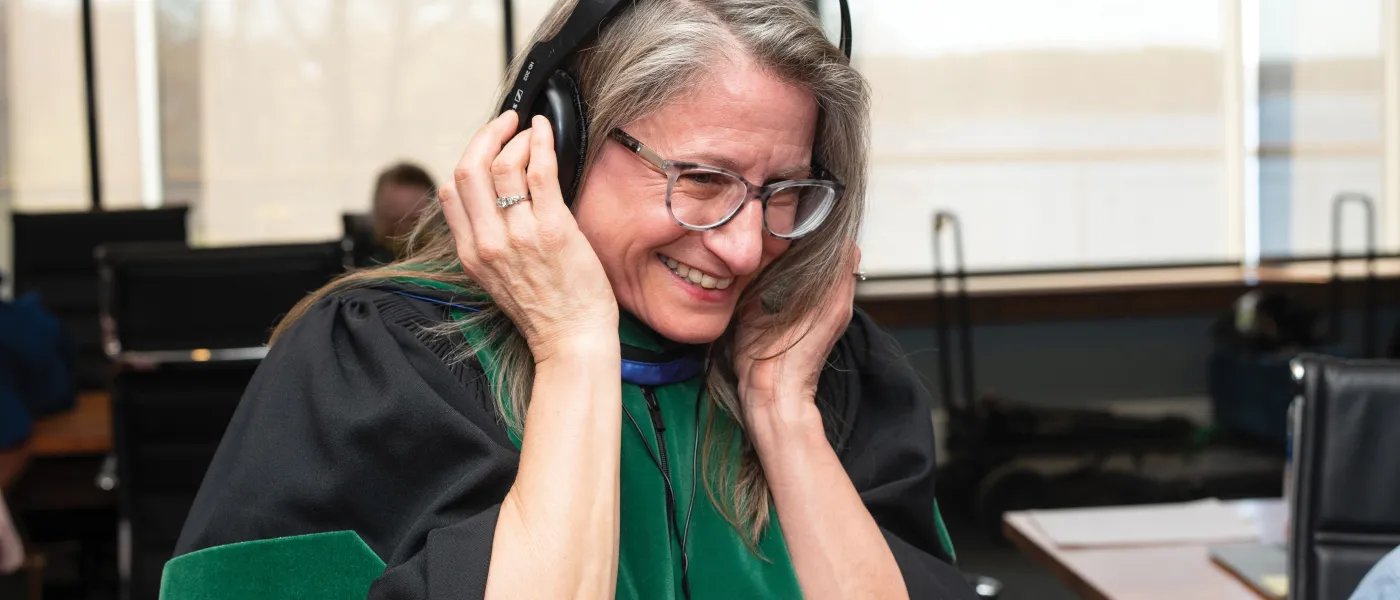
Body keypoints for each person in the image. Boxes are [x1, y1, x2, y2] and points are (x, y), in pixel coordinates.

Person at [171, 0, 975, 598]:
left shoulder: (827, 369)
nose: (745, 245)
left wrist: (783, 413)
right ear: (556, 143)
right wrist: (574, 345)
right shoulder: (376, 364)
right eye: (701, 180)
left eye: (785, 191)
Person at [366, 162, 436, 263]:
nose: (401, 234)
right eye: (393, 221)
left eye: (412, 222)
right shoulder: (349, 258)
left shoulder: (449, 265)